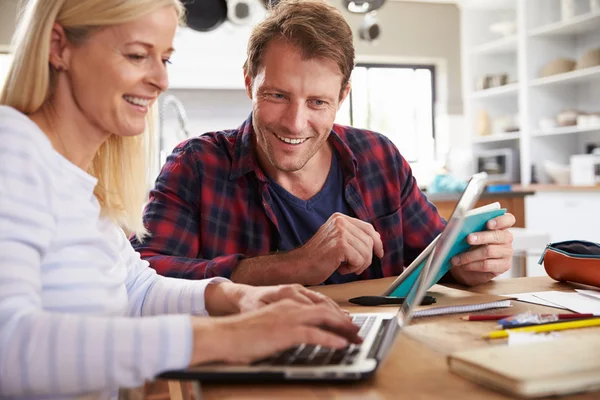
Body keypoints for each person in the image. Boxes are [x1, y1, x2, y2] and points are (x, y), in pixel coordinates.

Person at [0, 0, 361, 398]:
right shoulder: (10, 149)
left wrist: (239, 297)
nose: (160, 80)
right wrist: (228, 336)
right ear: (58, 47)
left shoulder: (74, 179)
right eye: (138, 55)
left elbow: (138, 292)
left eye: (165, 59)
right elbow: (8, 343)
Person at [132, 0, 515, 288]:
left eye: (317, 102)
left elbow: (435, 262)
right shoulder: (197, 164)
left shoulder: (379, 157)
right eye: (277, 96)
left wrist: (470, 265)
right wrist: (290, 266)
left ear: (343, 96)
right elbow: (144, 277)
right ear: (250, 82)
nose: (295, 123)